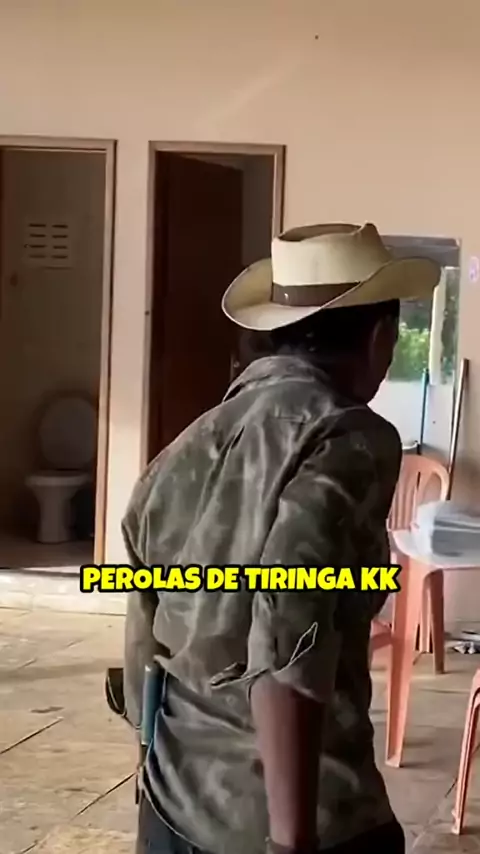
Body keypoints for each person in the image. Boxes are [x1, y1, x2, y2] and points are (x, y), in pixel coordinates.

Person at [122, 223, 440, 854]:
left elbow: (143, 647)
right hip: (291, 814)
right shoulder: (348, 437)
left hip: (172, 801)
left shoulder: (184, 448)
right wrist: (290, 841)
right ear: (379, 338)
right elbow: (289, 626)